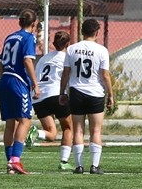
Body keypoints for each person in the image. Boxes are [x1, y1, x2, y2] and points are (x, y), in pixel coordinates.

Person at [60, 18, 115, 174]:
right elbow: (105, 75)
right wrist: (110, 94)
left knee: (78, 130)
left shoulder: (71, 49)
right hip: (95, 92)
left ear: (82, 31)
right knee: (96, 130)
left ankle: (79, 166)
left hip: (76, 91)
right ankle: (94, 166)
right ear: (96, 32)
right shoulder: (102, 50)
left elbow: (66, 73)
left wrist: (62, 92)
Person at [0, 9, 40, 174]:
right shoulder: (29, 38)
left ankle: (10, 162)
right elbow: (27, 60)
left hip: (5, 79)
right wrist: (35, 84)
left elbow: (1, 62)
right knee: (25, 120)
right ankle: (15, 160)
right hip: (18, 81)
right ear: (34, 23)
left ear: (19, 22)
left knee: (10, 122)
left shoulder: (9, 37)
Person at [32, 29, 75, 170]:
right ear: (68, 44)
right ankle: (63, 162)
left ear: (53, 43)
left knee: (51, 134)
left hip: (38, 98)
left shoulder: (43, 59)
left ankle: (35, 133)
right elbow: (69, 76)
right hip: (56, 94)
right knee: (68, 127)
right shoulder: (67, 58)